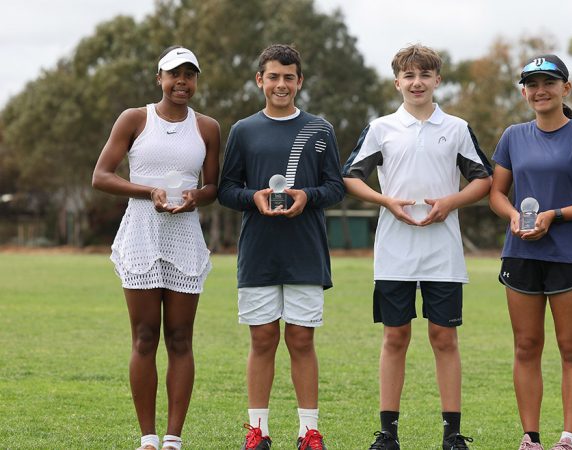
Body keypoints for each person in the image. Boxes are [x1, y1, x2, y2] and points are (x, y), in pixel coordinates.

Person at [342, 44, 492, 450]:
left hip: (443, 253)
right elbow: (351, 177)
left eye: (424, 75)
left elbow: (484, 179)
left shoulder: (457, 128)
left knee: (444, 338)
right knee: (395, 337)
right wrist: (386, 200)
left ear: (437, 80)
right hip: (394, 252)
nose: (417, 82)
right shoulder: (381, 128)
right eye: (409, 76)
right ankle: (388, 433)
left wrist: (451, 202)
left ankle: (452, 434)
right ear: (397, 82)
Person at [92, 46, 220, 450]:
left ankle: (172, 439)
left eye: (190, 74)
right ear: (159, 78)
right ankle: (147, 437)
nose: (182, 82)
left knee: (181, 338)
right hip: (141, 233)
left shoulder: (208, 127)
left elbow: (213, 187)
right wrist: (150, 191)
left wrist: (194, 198)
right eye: (174, 74)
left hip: (184, 235)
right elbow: (101, 176)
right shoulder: (134, 119)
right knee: (145, 337)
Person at [489, 54, 572, 450]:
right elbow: (496, 193)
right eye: (532, 84)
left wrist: (555, 215)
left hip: (568, 255)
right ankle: (530, 438)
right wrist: (513, 215)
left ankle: (568, 438)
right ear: (524, 91)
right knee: (526, 346)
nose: (540, 90)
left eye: (548, 82)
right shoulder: (513, 136)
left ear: (566, 88)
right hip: (521, 255)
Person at [218, 44, 344, 450]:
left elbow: (335, 187)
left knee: (302, 340)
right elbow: (226, 189)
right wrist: (253, 197)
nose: (281, 84)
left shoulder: (320, 129)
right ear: (260, 80)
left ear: (300, 81)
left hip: (306, 252)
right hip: (258, 253)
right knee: (262, 339)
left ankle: (309, 431)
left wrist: (307, 195)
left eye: (289, 77)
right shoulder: (243, 130)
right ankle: (258, 430)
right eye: (273, 76)